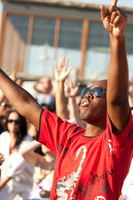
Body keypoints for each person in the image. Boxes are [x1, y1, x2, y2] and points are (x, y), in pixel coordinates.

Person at [0, 0, 132, 199]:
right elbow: (26, 104)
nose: (87, 94)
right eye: (87, 90)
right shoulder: (66, 135)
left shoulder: (115, 142)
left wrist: (117, 39)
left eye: (97, 93)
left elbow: (118, 98)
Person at [0, 110, 34, 200]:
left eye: (17, 122)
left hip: (23, 188)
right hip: (6, 186)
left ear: (21, 124)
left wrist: (1, 185)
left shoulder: (27, 141)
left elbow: (17, 167)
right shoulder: (3, 137)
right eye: (10, 121)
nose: (13, 124)